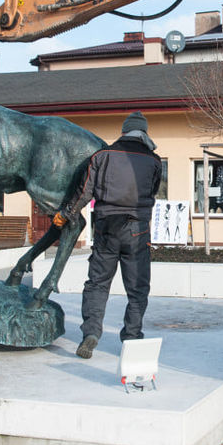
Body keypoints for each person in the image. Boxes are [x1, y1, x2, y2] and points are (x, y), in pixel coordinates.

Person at [61, 111, 162, 359]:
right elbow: (154, 191)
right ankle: (132, 337)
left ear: (124, 131)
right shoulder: (155, 161)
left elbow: (85, 191)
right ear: (144, 133)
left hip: (106, 226)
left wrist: (68, 213)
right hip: (138, 229)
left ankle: (91, 334)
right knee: (137, 287)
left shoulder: (102, 156)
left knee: (97, 283)